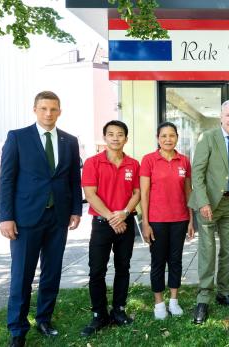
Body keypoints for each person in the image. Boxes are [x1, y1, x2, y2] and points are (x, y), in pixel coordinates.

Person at [0, 91, 82, 347]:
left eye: (53, 109)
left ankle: (44, 318)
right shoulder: (18, 137)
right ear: (35, 109)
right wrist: (6, 217)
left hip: (58, 217)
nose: (49, 113)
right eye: (44, 108)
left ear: (60, 111)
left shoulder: (70, 141)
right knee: (22, 274)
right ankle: (17, 328)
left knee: (52, 272)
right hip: (26, 218)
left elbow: (73, 180)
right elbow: (7, 179)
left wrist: (76, 210)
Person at [188, 100, 229, 324]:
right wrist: (202, 201)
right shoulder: (208, 138)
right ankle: (203, 297)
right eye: (228, 115)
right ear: (221, 117)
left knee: (228, 251)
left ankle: (223, 293)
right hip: (209, 204)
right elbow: (198, 172)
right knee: (208, 250)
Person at [80, 120, 141, 336]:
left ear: (126, 138)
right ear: (105, 137)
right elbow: (90, 194)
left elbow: (137, 193)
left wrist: (124, 213)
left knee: (123, 268)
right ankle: (99, 314)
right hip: (102, 224)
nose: (116, 138)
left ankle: (119, 310)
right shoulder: (92, 162)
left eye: (120, 134)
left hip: (126, 222)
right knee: (97, 270)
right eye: (111, 134)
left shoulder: (133, 164)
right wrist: (111, 217)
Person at [140, 122, 195, 320]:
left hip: (179, 219)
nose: (168, 139)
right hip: (156, 220)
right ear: (157, 138)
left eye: (172, 135)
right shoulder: (149, 160)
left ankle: (173, 301)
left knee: (176, 261)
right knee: (158, 261)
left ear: (177, 138)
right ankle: (159, 304)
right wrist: (145, 223)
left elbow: (188, 191)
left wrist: (190, 219)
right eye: (163, 136)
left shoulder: (184, 161)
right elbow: (144, 193)